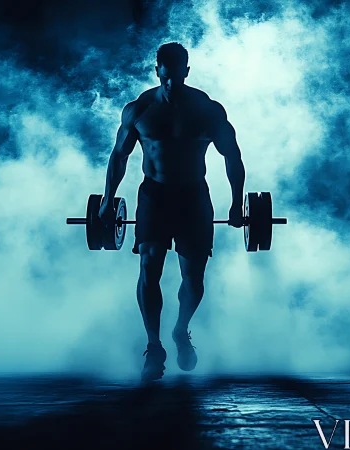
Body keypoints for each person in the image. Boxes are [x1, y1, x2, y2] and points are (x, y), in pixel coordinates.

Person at [98, 42, 246, 381]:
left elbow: (232, 156)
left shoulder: (208, 110)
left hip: (194, 196)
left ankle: (181, 330)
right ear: (157, 71)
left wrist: (237, 202)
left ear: (186, 72)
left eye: (177, 77)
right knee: (149, 265)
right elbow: (119, 156)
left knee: (193, 278)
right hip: (155, 195)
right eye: (166, 77)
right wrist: (108, 199)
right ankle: (154, 345)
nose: (171, 84)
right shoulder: (139, 109)